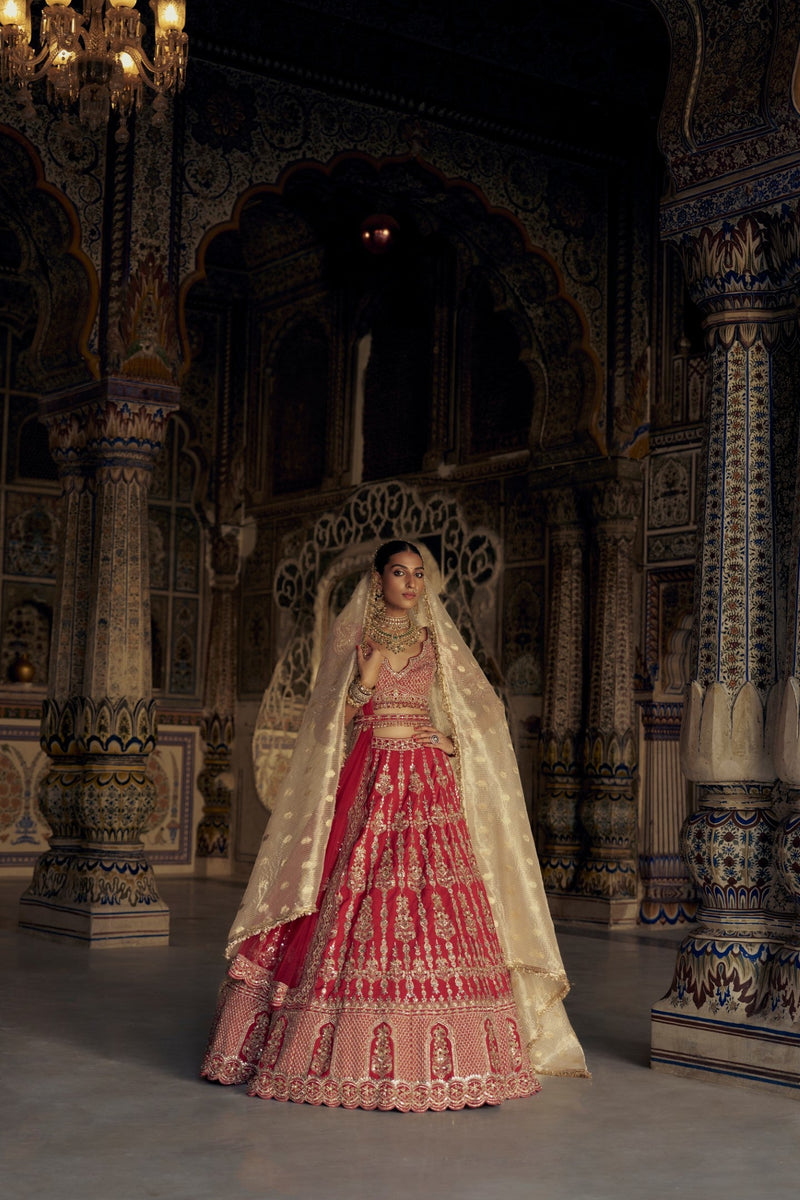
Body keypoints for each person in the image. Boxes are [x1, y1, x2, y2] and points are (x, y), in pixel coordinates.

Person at [201, 539, 587, 1110]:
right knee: (357, 895)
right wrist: (363, 681)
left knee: (435, 900)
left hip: (426, 782)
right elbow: (331, 719)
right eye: (399, 572)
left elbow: (483, 710)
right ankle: (338, 1047)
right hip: (372, 777)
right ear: (377, 578)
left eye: (418, 574)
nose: (410, 583)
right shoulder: (353, 638)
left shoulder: (436, 640)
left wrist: (448, 740)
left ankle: (452, 1058)